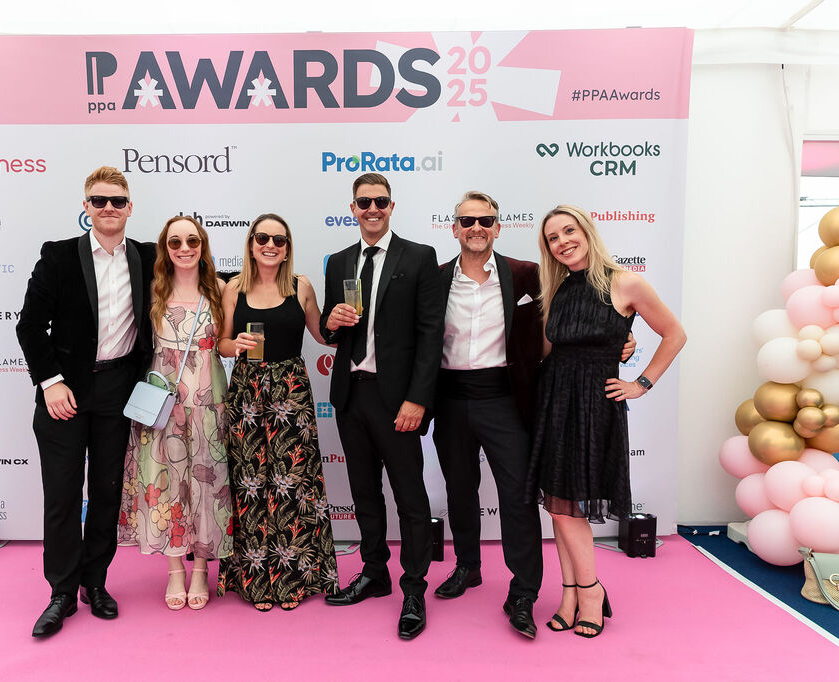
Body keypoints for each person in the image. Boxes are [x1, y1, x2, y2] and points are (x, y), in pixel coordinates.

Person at [432, 192, 635, 640]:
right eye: (468, 220)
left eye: (486, 219)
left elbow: (583, 315)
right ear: (454, 227)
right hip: (449, 396)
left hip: (506, 397)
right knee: (459, 489)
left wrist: (622, 338)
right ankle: (467, 566)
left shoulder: (529, 274)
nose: (477, 227)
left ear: (498, 227)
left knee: (518, 496)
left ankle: (523, 591)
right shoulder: (436, 277)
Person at [526, 205, 685, 638]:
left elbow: (675, 334)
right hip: (554, 400)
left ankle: (591, 591)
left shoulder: (625, 282)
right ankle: (570, 594)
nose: (562, 242)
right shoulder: (557, 288)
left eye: (568, 231)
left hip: (593, 404)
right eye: (553, 238)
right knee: (558, 506)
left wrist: (642, 383)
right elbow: (548, 351)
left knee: (570, 507)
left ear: (587, 231)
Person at [16, 166, 155, 637]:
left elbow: (202, 273)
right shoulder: (57, 256)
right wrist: (50, 381)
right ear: (86, 207)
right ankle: (60, 592)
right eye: (99, 200)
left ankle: (94, 582)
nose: (108, 208)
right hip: (65, 392)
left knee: (107, 493)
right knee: (61, 494)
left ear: (130, 207)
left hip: (119, 390)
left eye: (117, 200)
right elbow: (29, 326)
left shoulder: (148, 256)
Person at [320, 173, 444, 640]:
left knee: (410, 497)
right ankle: (375, 572)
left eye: (380, 201)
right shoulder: (339, 261)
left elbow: (431, 335)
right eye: (364, 201)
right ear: (352, 208)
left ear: (392, 206)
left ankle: (413, 588)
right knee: (363, 491)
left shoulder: (419, 256)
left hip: (398, 400)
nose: (372, 208)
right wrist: (332, 323)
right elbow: (332, 330)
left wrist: (418, 398)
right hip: (351, 394)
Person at [216, 213, 341, 611]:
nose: (270, 245)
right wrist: (235, 344)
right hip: (247, 391)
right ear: (251, 244)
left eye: (279, 240)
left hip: (291, 391)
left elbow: (323, 335)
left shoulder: (301, 286)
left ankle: (293, 582)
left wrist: (341, 321)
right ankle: (256, 583)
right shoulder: (234, 287)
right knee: (250, 483)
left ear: (287, 248)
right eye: (263, 238)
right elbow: (221, 343)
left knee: (294, 484)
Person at [117, 216, 232, 611]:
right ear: (165, 248)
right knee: (165, 483)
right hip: (162, 401)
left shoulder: (220, 289)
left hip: (209, 400)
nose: (185, 249)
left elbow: (227, 342)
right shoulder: (152, 289)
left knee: (206, 481)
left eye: (193, 241)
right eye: (176, 242)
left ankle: (200, 568)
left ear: (203, 246)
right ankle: (175, 571)